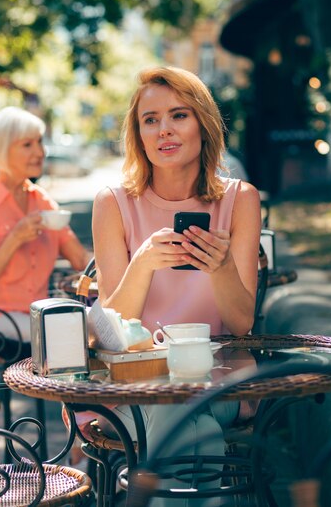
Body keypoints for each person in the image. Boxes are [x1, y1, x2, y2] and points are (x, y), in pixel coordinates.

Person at [92, 66, 261, 505]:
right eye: (150, 120)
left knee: (181, 408)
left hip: (217, 375)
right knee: (186, 416)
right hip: (135, 379)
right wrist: (143, 263)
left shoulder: (240, 200)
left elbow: (241, 324)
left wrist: (222, 267)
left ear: (203, 124)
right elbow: (111, 331)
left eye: (178, 115)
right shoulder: (112, 203)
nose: (163, 129)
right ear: (138, 134)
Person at [0, 106, 91, 343]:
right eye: (27, 145)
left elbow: (80, 260)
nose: (40, 152)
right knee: (72, 335)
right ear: (2, 149)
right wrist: (14, 238)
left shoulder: (41, 200)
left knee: (99, 326)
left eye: (39, 142)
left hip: (33, 314)